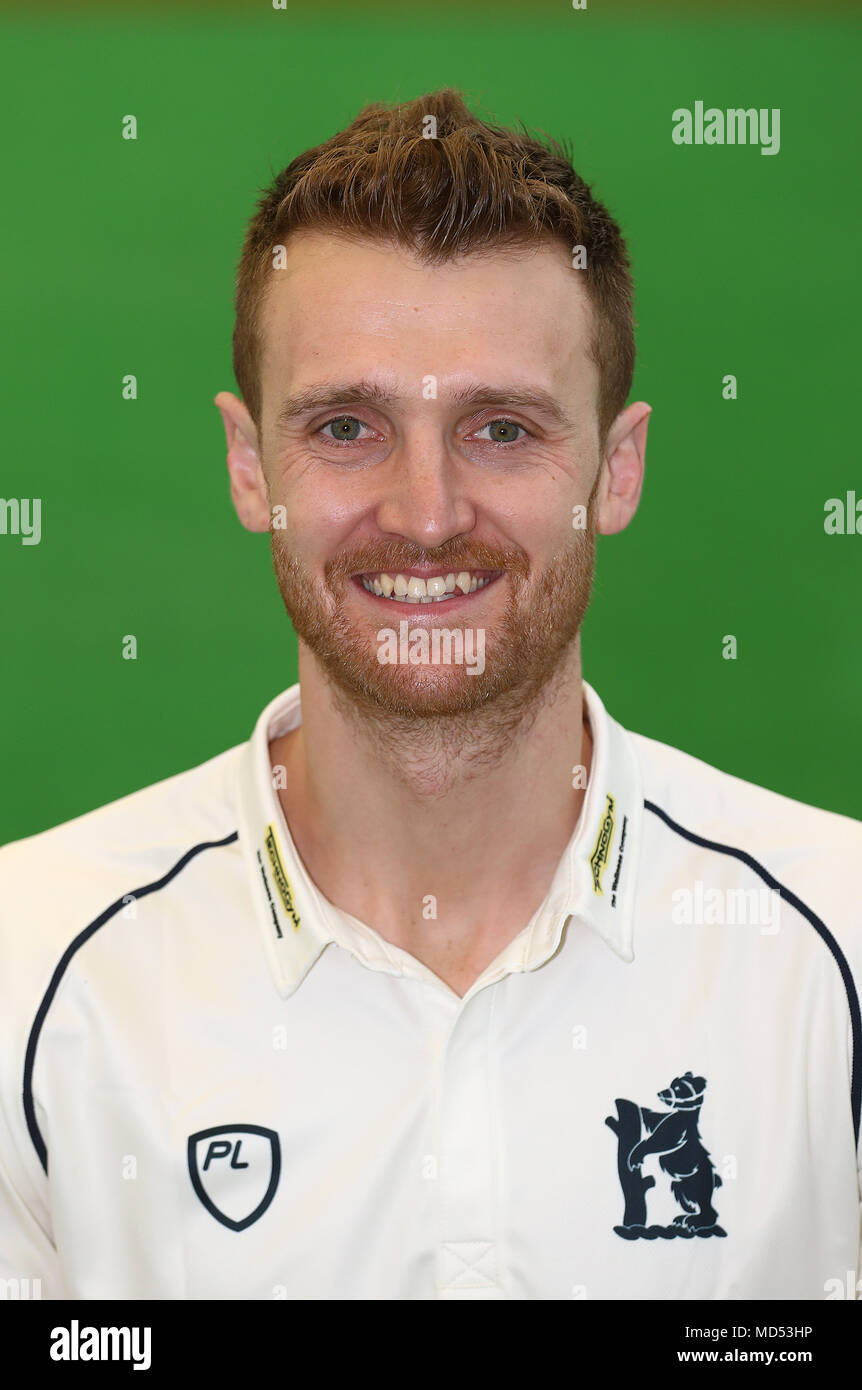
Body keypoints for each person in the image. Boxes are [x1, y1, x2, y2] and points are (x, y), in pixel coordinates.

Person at [1, 88, 859, 1302]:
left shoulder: (836, 952)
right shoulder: (27, 972)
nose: (425, 513)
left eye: (501, 429)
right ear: (251, 468)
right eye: (347, 426)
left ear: (617, 469)